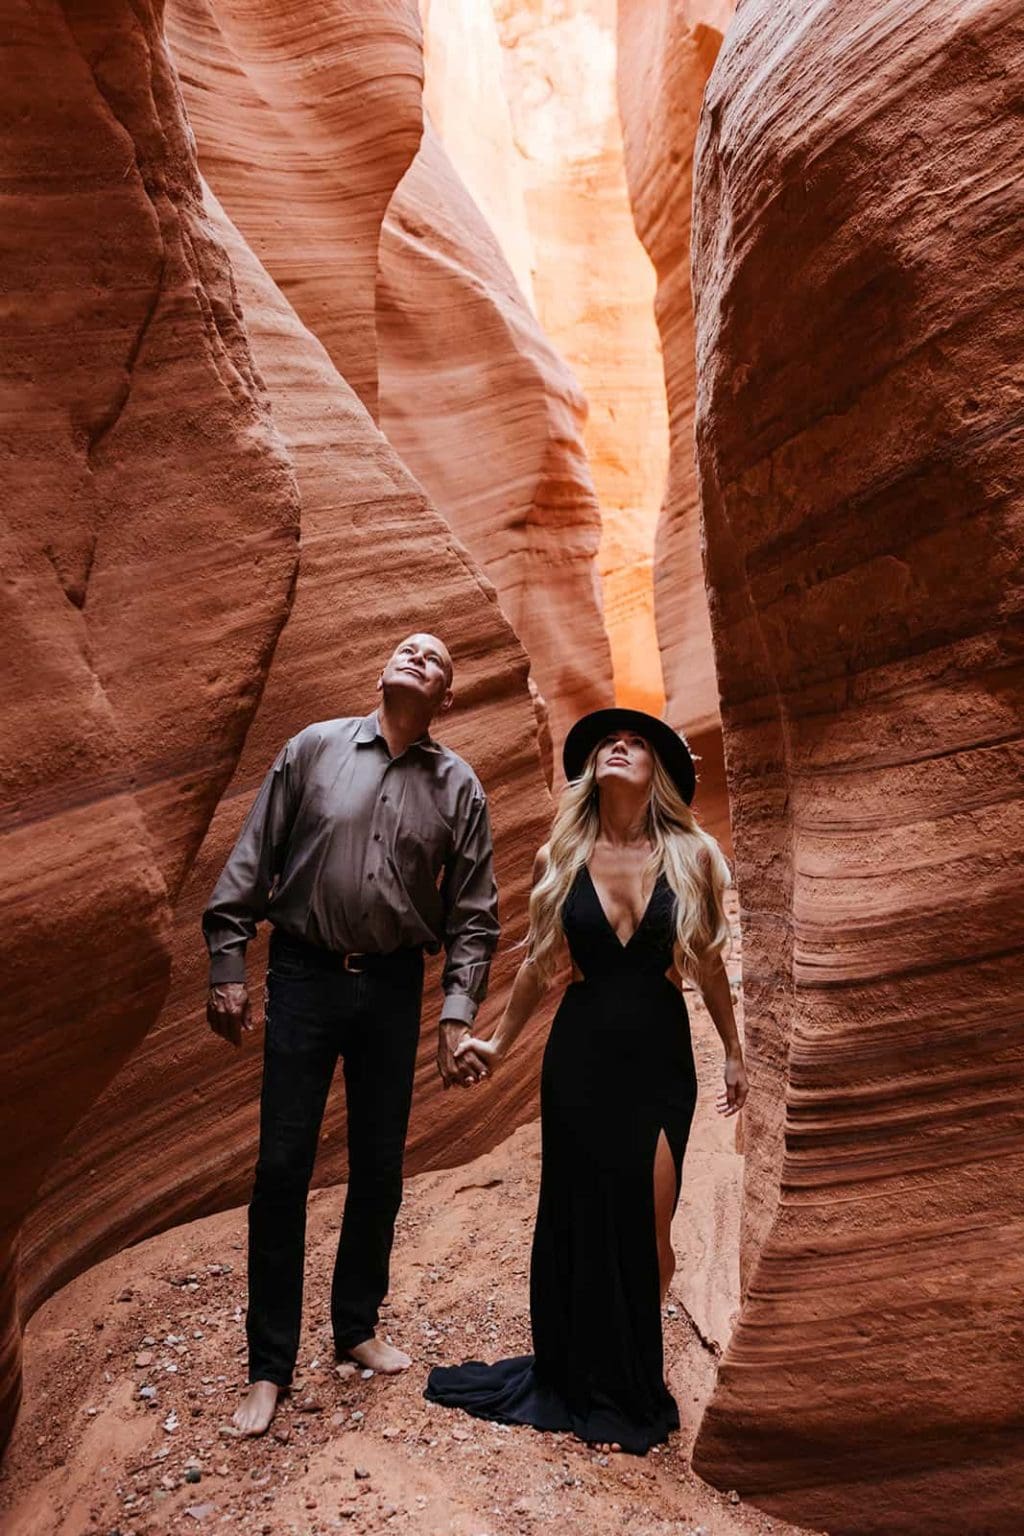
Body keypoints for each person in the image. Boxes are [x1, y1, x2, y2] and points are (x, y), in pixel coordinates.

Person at [424, 707, 748, 1455]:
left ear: (655, 772)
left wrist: (732, 1047)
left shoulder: (693, 853)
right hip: (581, 1055)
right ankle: (587, 1375)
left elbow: (703, 962)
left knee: (651, 1224)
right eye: (608, 742)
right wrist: (499, 1042)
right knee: (579, 1213)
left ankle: (632, 1370)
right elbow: (540, 964)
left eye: (635, 743)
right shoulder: (558, 858)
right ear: (593, 772)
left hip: (662, 1057)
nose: (620, 747)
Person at [203, 634, 499, 1436]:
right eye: (407, 648)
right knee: (281, 1167)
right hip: (303, 975)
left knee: (377, 1164)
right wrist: (228, 961)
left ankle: (357, 1327)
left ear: (446, 699)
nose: (417, 657)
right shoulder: (313, 749)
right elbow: (251, 857)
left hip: (394, 988)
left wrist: (456, 1012)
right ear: (384, 669)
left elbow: (474, 917)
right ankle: (269, 1368)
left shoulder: (459, 786)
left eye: (435, 659)